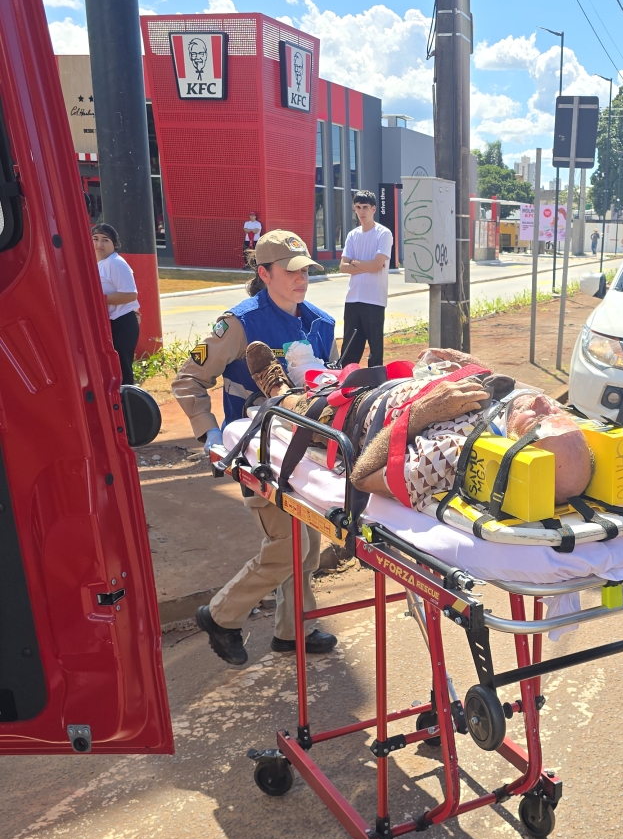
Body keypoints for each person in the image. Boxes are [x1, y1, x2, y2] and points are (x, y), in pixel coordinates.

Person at [172, 230, 338, 666]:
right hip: (256, 449)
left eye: (307, 270)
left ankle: (291, 631)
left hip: (306, 450)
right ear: (264, 273)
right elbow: (187, 378)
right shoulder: (237, 323)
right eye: (292, 271)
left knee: (308, 545)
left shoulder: (322, 323)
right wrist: (207, 431)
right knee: (286, 547)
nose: (302, 278)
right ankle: (222, 616)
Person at [244, 344, 594, 512]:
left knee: (307, 407)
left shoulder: (452, 452)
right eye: (554, 407)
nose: (541, 402)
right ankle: (310, 375)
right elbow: (523, 396)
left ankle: (276, 389)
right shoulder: (525, 410)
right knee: (330, 376)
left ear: (518, 452)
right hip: (397, 383)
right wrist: (474, 367)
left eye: (539, 418)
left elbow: (362, 477)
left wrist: (422, 412)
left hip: (353, 414)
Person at [339, 190, 393, 368]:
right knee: (349, 349)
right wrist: (366, 266)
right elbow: (342, 267)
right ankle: (346, 386)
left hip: (374, 299)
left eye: (366, 207)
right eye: (358, 207)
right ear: (354, 208)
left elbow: (377, 265)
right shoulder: (352, 235)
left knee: (375, 351)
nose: (362, 212)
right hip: (353, 298)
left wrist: (356, 264)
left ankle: (374, 385)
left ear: (374, 209)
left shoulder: (383, 234)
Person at [92, 223, 140, 386]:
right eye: (95, 239)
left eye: (105, 240)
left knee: (122, 369)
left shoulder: (116, 263)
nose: (99, 244)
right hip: (109, 323)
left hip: (123, 323)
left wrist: (98, 298)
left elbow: (130, 294)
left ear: (114, 244)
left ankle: (127, 407)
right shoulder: (97, 263)